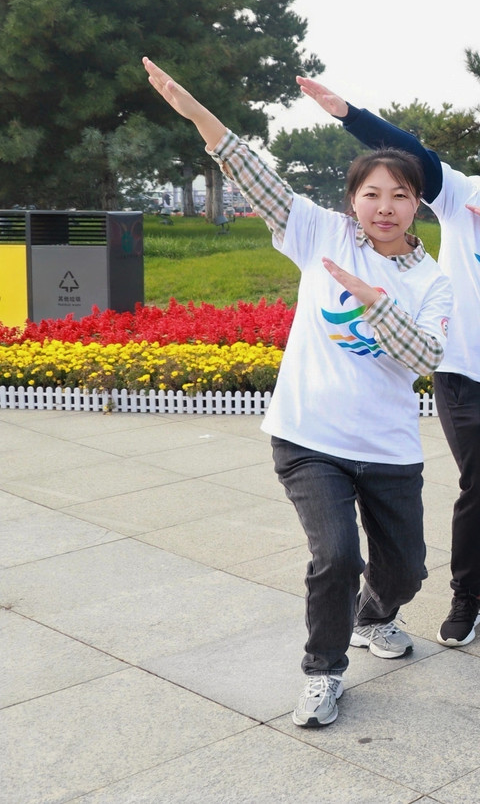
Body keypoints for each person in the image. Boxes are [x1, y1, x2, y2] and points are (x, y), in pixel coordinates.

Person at [142, 58, 451, 729]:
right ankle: (323, 671)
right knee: (336, 556)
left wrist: (375, 302)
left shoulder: (432, 280)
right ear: (353, 200)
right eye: (372, 194)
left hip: (389, 448)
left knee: (406, 573)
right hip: (310, 437)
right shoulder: (321, 233)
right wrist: (199, 115)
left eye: (400, 195)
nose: (385, 206)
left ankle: (375, 616)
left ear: (417, 204)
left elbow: (427, 356)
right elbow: (255, 174)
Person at [300, 77, 480, 650]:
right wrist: (349, 113)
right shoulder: (464, 193)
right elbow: (415, 154)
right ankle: (466, 596)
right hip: (463, 368)